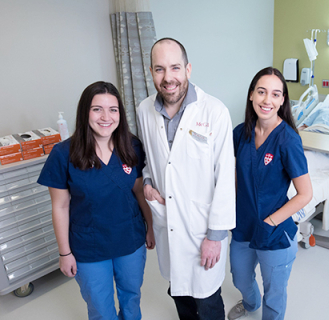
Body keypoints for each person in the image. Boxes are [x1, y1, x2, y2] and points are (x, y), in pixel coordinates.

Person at [136, 38, 236, 320]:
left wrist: (215, 237)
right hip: (168, 221)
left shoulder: (214, 112)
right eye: (159, 69)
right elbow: (149, 161)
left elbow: (225, 178)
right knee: (179, 293)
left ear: (188, 69)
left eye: (175, 68)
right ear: (151, 72)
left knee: (207, 301)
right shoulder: (145, 110)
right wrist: (146, 183)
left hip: (202, 228)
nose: (168, 78)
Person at [37, 81, 155, 319]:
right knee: (100, 308)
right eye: (97, 109)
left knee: (131, 297)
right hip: (88, 247)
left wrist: (151, 227)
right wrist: (64, 253)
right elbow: (60, 206)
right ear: (85, 112)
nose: (106, 116)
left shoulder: (131, 145)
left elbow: (139, 190)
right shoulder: (63, 154)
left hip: (129, 239)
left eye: (113, 109)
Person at [228, 67, 313, 320]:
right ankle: (251, 304)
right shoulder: (241, 132)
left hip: (273, 231)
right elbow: (234, 171)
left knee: (274, 294)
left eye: (275, 94)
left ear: (283, 100)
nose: (268, 100)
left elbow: (305, 194)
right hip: (242, 226)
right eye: (262, 92)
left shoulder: (288, 140)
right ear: (251, 95)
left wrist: (270, 221)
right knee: (240, 279)